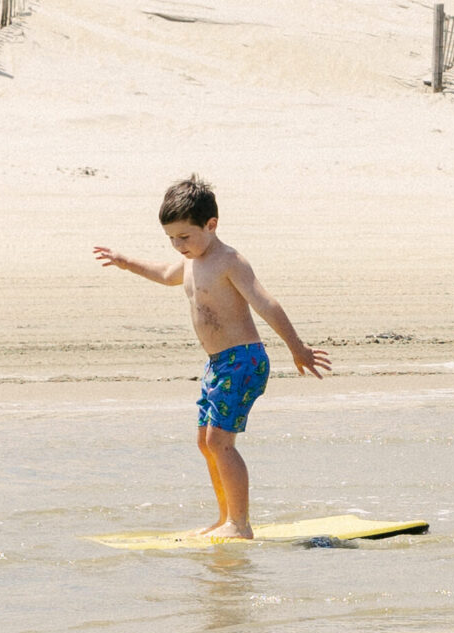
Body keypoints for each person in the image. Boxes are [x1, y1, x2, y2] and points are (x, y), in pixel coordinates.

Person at [94, 174, 331, 538]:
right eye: (171, 238)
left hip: (243, 361)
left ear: (211, 224)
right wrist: (126, 261)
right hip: (218, 364)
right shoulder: (191, 261)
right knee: (206, 443)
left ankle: (240, 524)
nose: (178, 245)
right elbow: (163, 274)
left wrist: (296, 348)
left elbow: (266, 303)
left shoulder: (228, 261)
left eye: (184, 237)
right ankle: (225, 519)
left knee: (220, 442)